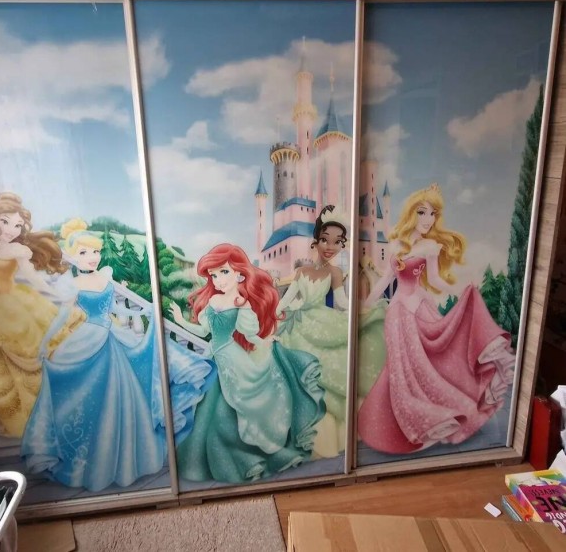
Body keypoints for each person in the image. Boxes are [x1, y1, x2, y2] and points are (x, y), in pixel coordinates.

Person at [21, 219, 215, 492]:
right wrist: (45, 342)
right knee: (91, 396)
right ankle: (92, 457)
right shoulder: (73, 284)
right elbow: (63, 316)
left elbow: (115, 309)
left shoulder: (105, 276)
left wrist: (142, 312)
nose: (92, 257)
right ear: (73, 255)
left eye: (95, 251)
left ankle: (126, 455)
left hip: (111, 336)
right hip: (88, 338)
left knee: (124, 392)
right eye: (84, 252)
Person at [357, 184, 515, 454]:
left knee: (426, 364)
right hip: (396, 314)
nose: (428, 219)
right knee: (399, 369)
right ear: (411, 213)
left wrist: (463, 290)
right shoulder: (396, 245)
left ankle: (438, 417)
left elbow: (435, 280)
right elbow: (385, 281)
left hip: (418, 308)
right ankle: (404, 422)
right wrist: (364, 306)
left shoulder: (431, 246)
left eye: (432, 214)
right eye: (422, 212)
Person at [170, 243, 326, 484]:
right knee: (209, 408)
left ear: (239, 274)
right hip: (215, 357)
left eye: (224, 272)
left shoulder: (240, 302)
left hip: (233, 359)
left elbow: (249, 334)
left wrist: (266, 342)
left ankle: (248, 455)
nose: (219, 280)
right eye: (214, 275)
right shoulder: (213, 301)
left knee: (234, 407)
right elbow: (203, 331)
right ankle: (208, 458)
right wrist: (180, 319)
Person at [0, 192, 68, 438]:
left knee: (29, 351)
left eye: (18, 225)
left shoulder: (18, 250)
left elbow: (32, 277)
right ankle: (18, 412)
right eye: (6, 222)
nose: (12, 230)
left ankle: (45, 409)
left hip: (17, 303)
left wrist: (54, 293)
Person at [275, 205, 349, 457]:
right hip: (298, 323)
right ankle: (297, 431)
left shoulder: (335, 272)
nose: (330, 246)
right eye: (325, 240)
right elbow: (287, 299)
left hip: (322, 322)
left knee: (320, 377)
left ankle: (323, 437)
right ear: (316, 241)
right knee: (296, 377)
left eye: (337, 242)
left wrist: (360, 312)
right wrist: (274, 313)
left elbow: (342, 301)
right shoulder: (302, 272)